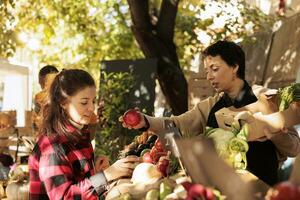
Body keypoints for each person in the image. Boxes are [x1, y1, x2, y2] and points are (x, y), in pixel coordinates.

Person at [120, 40, 300, 186]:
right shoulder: (211, 105)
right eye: (207, 71)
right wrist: (144, 121)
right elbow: (175, 124)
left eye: (215, 69)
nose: (209, 76)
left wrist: (273, 133)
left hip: (262, 190)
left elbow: (293, 148)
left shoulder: (266, 99)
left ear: (235, 67)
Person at [29, 69, 140, 199]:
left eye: (93, 101)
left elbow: (80, 184)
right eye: (84, 102)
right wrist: (106, 176)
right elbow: (66, 196)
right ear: (63, 102)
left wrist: (96, 172)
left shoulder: (81, 133)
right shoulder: (52, 147)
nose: (92, 108)